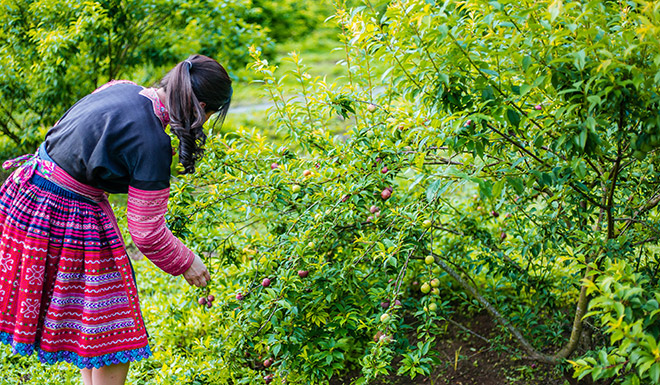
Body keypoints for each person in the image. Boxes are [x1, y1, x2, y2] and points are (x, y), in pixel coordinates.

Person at [0, 54, 232, 385]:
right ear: (202, 108)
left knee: (93, 313)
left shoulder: (120, 88)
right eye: (208, 115)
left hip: (26, 195)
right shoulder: (152, 142)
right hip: (64, 212)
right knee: (114, 323)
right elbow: (147, 232)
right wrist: (187, 261)